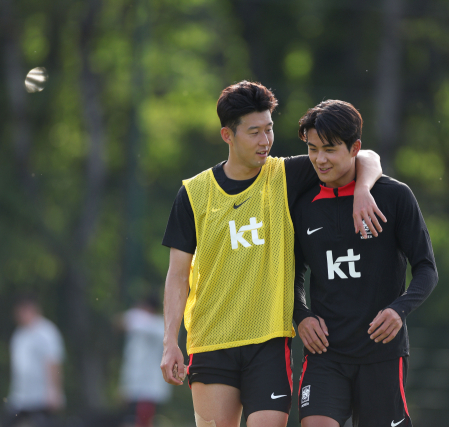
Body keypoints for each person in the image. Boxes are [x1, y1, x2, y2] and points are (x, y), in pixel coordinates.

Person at [159, 81, 386, 427]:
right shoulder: (194, 194)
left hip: (268, 340)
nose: (265, 141)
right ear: (227, 135)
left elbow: (366, 156)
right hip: (211, 341)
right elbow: (178, 274)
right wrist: (169, 341)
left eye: (269, 129)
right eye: (254, 132)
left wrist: (363, 191)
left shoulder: (285, 175)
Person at [292, 100, 439, 427]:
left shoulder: (395, 197)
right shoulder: (301, 204)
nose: (319, 159)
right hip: (326, 352)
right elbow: (291, 274)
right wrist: (300, 316)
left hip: (382, 354)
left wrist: (399, 309)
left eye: (329, 149)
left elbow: (426, 268)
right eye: (312, 149)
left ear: (355, 147)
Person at [1, 295, 65, 427]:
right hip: (20, 397)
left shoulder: (47, 332)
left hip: (41, 397)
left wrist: (55, 391)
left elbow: (53, 362)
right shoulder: (19, 334)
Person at [118, 295, 171, 427]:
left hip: (149, 380)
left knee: (144, 417)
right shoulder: (143, 322)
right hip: (135, 378)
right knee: (132, 416)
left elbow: (126, 321)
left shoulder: (158, 325)